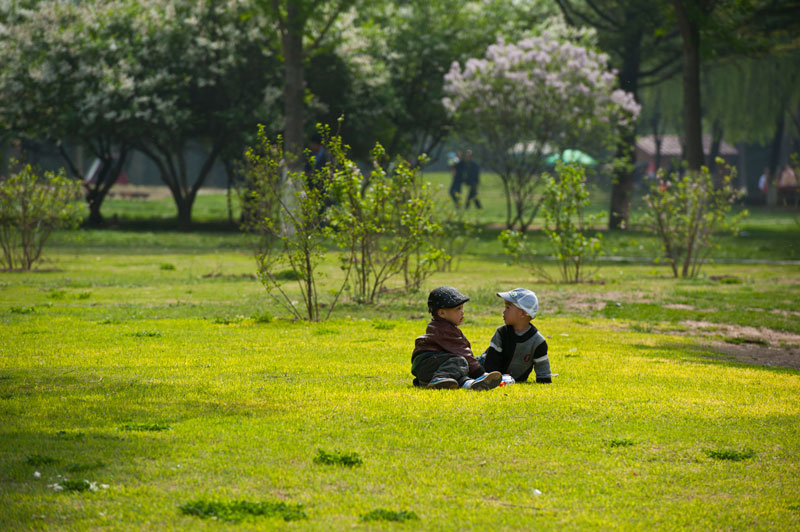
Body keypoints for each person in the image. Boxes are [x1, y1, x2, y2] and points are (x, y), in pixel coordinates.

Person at [411, 286, 502, 390]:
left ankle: (468, 384)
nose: (462, 312)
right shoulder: (444, 329)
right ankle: (439, 379)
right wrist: (480, 373)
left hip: (430, 367)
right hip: (428, 363)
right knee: (460, 361)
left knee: (458, 370)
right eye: (458, 309)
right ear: (442, 313)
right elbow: (462, 352)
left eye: (462, 308)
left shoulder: (440, 326)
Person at [478, 288, 554, 384]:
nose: (503, 311)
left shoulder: (538, 341)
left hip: (509, 379)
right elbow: (491, 363)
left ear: (523, 313)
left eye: (508, 307)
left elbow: (543, 369)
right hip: (481, 366)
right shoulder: (502, 333)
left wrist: (544, 381)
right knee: (464, 366)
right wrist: (491, 379)